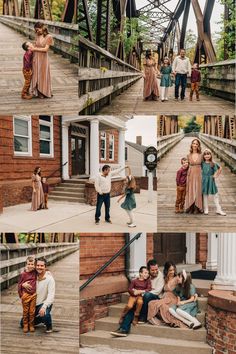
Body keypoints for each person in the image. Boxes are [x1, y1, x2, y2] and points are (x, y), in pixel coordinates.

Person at [110, 259, 164, 337]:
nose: (155, 271)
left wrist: (141, 292)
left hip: (155, 298)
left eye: (156, 269)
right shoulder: (145, 277)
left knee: (147, 296)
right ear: (148, 270)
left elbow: (157, 292)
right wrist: (137, 292)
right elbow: (136, 285)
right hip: (142, 298)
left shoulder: (160, 276)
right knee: (133, 308)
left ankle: (143, 317)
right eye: (152, 270)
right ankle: (123, 329)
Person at [147, 261, 188, 328]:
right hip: (165, 298)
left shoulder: (177, 278)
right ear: (166, 270)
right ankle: (167, 321)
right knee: (151, 303)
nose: (172, 272)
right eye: (170, 270)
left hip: (172, 298)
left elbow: (186, 283)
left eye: (173, 270)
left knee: (162, 306)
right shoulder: (164, 278)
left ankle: (172, 321)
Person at [21, 257, 55, 333]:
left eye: (42, 266)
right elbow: (23, 277)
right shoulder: (32, 275)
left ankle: (48, 325)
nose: (39, 267)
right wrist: (23, 284)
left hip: (43, 303)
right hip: (32, 303)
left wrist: (44, 307)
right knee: (22, 323)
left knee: (45, 314)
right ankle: (41, 320)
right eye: (38, 265)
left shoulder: (50, 279)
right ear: (35, 266)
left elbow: (51, 296)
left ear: (45, 267)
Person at [31, 22, 54, 98]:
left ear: (42, 28)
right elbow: (35, 44)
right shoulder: (37, 35)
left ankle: (44, 91)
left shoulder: (48, 37)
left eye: (38, 29)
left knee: (43, 74)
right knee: (36, 74)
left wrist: (34, 48)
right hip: (36, 57)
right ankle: (38, 91)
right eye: (36, 30)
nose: (37, 31)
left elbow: (46, 49)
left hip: (43, 58)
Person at [202, 149, 226, 216]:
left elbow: (220, 168)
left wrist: (216, 175)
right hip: (204, 181)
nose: (207, 156)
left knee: (215, 195)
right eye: (205, 154)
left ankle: (219, 209)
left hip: (211, 181)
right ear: (203, 156)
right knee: (205, 195)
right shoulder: (202, 163)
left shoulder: (213, 163)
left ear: (210, 155)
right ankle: (206, 209)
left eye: (208, 154)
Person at [18, 256, 37, 333]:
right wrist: (21, 294)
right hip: (26, 295)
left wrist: (48, 271)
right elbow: (19, 284)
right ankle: (25, 324)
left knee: (32, 311)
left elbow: (42, 269)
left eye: (32, 264)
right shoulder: (23, 274)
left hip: (33, 295)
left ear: (34, 265)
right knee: (26, 311)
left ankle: (31, 325)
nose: (30, 266)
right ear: (26, 264)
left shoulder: (35, 272)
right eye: (28, 264)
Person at [185, 139, 203, 214]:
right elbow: (186, 165)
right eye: (193, 143)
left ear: (198, 146)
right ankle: (191, 206)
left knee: (198, 190)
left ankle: (197, 207)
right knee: (191, 189)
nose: (195, 145)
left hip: (199, 173)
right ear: (191, 145)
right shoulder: (188, 155)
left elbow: (205, 165)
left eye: (196, 144)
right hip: (191, 173)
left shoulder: (201, 155)